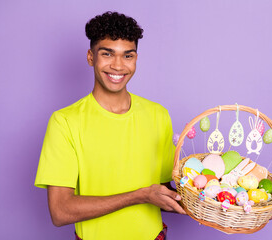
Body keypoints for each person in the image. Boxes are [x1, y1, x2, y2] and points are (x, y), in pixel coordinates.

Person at [35, 11, 185, 240]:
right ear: (90, 57)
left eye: (128, 56)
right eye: (107, 54)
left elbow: (161, 193)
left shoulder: (158, 115)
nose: (118, 65)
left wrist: (216, 194)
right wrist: (139, 196)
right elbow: (60, 211)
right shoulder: (64, 122)